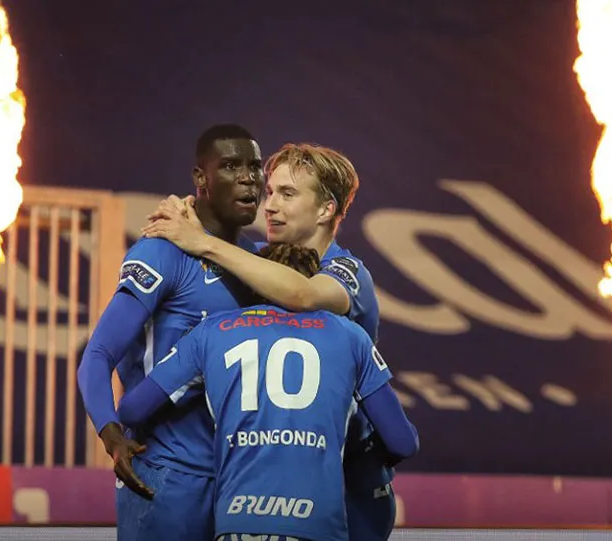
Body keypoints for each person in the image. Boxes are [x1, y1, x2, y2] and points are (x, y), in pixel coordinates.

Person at [142, 143, 395, 539]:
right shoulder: (263, 259)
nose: (269, 206)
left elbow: (301, 294)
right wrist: (186, 219)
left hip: (350, 484)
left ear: (326, 210)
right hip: (270, 478)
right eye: (271, 191)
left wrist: (203, 241)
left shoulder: (347, 270)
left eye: (288, 194)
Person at [117, 243, 419, 541]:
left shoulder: (211, 332)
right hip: (319, 526)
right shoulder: (351, 336)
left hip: (236, 523)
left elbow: (132, 410)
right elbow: (402, 442)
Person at [77, 123, 265, 540]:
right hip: (167, 474)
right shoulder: (161, 250)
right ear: (201, 179)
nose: (249, 177)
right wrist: (112, 436)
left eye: (255, 166)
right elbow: (98, 355)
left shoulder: (255, 263)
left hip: (236, 481)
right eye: (231, 166)